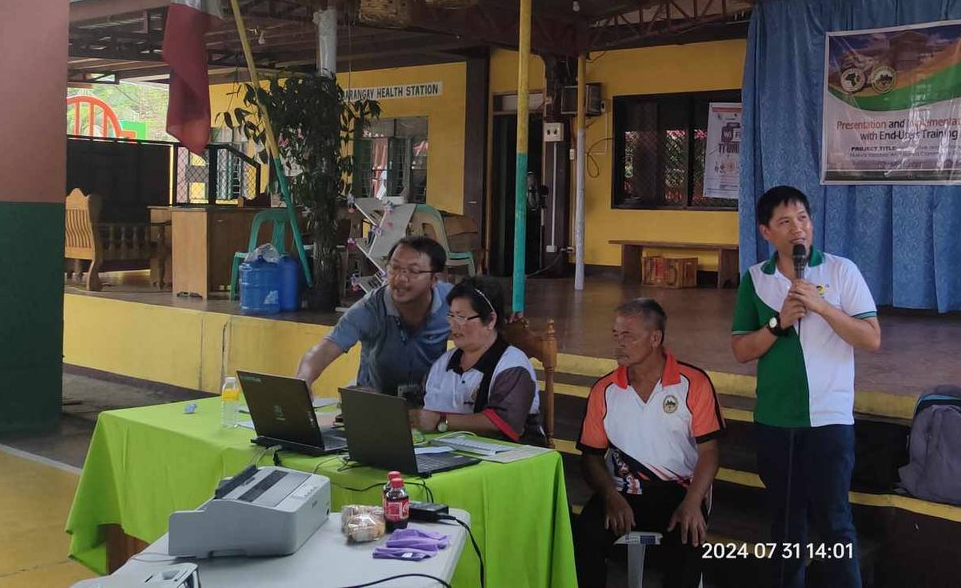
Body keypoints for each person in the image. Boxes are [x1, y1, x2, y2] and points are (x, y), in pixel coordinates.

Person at [731, 186, 881, 588]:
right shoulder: (755, 279)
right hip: (775, 419)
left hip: (829, 419)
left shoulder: (841, 271)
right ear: (766, 232)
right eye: (785, 221)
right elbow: (742, 350)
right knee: (785, 525)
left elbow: (871, 338)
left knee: (835, 522)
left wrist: (822, 307)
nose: (798, 228)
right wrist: (778, 322)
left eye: (803, 218)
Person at [574, 299, 724, 588]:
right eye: (616, 335)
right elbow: (591, 456)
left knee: (688, 542)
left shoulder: (693, 383)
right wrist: (610, 496)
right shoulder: (604, 390)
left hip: (679, 492)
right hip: (622, 491)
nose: (619, 343)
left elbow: (710, 453)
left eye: (628, 336)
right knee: (584, 537)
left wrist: (693, 502)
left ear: (655, 338)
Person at [295, 235, 452, 395]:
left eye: (413, 271)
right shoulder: (370, 308)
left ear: (434, 279)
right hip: (376, 401)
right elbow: (326, 349)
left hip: (429, 402)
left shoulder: (452, 302)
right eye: (394, 267)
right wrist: (303, 380)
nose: (400, 278)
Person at [410, 276, 545, 444]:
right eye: (451, 316)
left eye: (461, 317)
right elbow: (422, 407)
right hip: (447, 450)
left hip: (509, 456)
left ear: (490, 320)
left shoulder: (512, 366)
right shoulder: (443, 363)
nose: (453, 325)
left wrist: (440, 421)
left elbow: (501, 423)